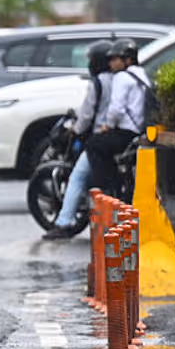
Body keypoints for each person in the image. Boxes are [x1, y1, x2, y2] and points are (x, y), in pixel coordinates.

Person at [43, 40, 113, 240]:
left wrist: (75, 129)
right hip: (117, 135)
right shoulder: (118, 79)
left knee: (77, 177)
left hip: (99, 137)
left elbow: (87, 115)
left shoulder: (98, 83)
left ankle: (63, 223)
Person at [85, 38, 148, 202]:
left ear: (127, 60)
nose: (111, 63)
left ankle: (105, 188)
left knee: (94, 144)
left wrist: (108, 125)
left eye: (115, 59)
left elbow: (116, 109)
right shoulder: (141, 74)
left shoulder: (122, 77)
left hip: (126, 132)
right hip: (139, 131)